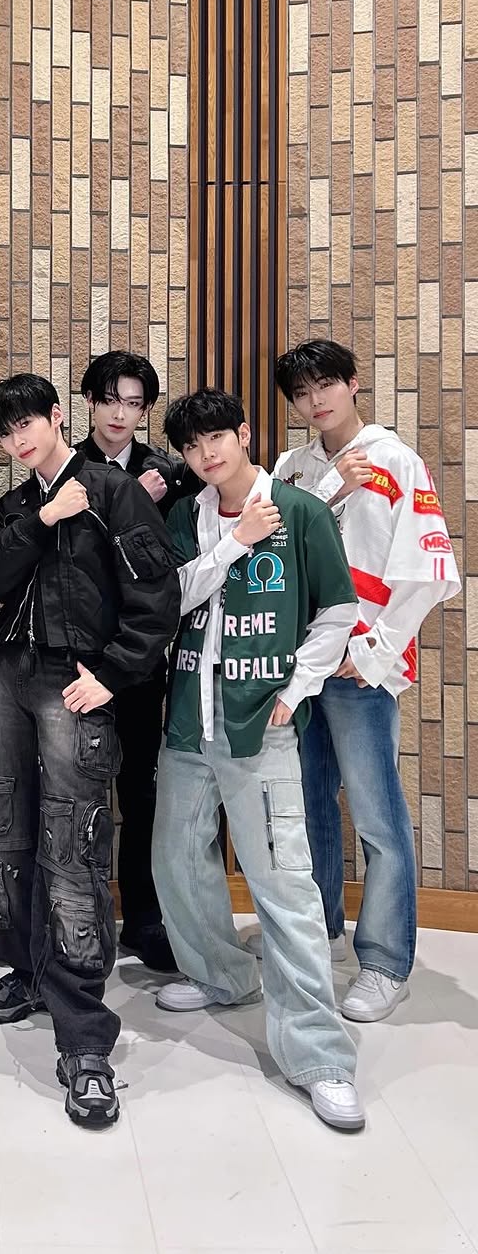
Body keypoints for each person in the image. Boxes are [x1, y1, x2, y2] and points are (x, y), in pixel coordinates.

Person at [0, 373, 180, 1129]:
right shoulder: (20, 503)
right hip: (8, 673)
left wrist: (112, 674)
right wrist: (42, 518)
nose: (17, 440)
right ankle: (25, 969)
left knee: (74, 845)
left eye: (27, 423)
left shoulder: (115, 492)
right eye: (4, 432)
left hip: (74, 682)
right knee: (2, 831)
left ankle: (85, 1038)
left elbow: (158, 597)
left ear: (58, 417)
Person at [152, 388, 364, 1132]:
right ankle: (222, 976)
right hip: (189, 718)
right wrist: (234, 542)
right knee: (177, 861)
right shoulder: (187, 516)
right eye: (191, 446)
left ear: (244, 433)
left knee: (284, 885)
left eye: (217, 437)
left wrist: (297, 688)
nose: (206, 454)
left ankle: (321, 1058)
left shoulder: (299, 511)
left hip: (260, 722)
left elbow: (337, 609)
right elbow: (170, 600)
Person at [267, 340, 460, 1021]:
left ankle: (385, 961)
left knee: (377, 813)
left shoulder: (394, 459)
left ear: (353, 383)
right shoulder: (291, 468)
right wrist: (329, 490)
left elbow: (430, 571)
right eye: (301, 392)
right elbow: (273, 550)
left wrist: (377, 649)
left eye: (325, 384)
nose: (315, 400)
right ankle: (317, 938)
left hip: (359, 666)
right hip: (301, 664)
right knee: (308, 806)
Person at [75, 350, 194, 972]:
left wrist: (143, 501)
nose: (120, 414)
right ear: (89, 402)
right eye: (110, 400)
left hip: (142, 657)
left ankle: (145, 917)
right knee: (76, 791)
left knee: (143, 790)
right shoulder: (64, 468)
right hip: (76, 663)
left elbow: (181, 564)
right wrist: (121, 500)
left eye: (133, 404)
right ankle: (82, 918)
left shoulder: (170, 473)